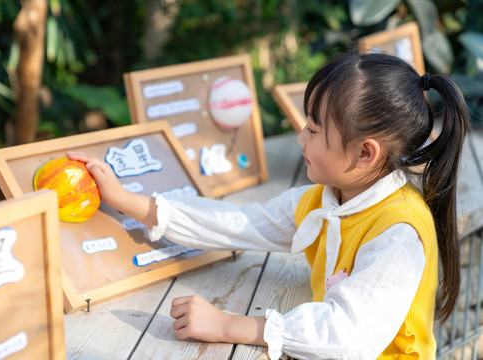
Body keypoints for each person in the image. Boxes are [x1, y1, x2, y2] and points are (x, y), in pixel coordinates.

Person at [66, 52, 470, 359]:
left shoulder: (398, 232)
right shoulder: (324, 199)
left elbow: (348, 336)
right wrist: (127, 201)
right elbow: (239, 224)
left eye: (313, 128)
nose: (301, 138)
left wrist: (230, 325)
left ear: (365, 154)